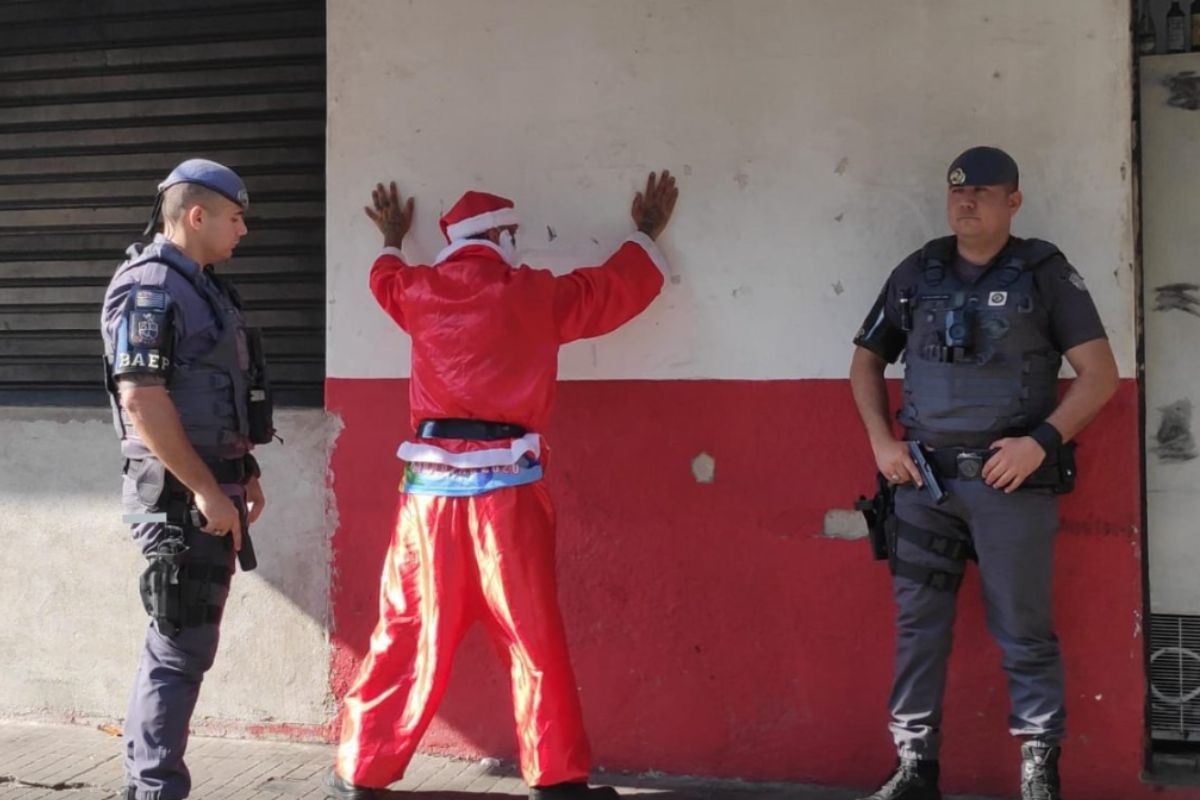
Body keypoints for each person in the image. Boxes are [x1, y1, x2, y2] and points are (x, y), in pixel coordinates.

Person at [324, 171, 679, 800]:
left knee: (407, 627)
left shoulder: (419, 290)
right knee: (530, 634)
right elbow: (612, 291)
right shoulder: (535, 295)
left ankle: (362, 771)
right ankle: (557, 780)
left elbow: (382, 281)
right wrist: (646, 231)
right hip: (507, 494)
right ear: (503, 236)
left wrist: (390, 237)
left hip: (428, 494)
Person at [848, 147, 1118, 800]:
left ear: (1013, 202)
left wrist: (1040, 443)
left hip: (1011, 486)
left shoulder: (1044, 273)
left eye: (983, 192)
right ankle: (915, 768)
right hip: (923, 487)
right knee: (919, 627)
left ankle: (1038, 772)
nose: (965, 202)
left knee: (1023, 629)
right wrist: (883, 441)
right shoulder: (918, 272)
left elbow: (1100, 375)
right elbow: (864, 361)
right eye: (956, 193)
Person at [101, 159, 274, 800]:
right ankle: (152, 790)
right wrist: (205, 489)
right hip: (177, 498)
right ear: (195, 216)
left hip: (209, 487)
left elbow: (212, 393)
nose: (244, 231)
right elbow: (142, 397)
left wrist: (243, 469)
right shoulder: (150, 288)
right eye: (235, 218)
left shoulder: (202, 288)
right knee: (178, 645)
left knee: (187, 648)